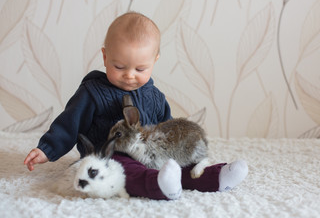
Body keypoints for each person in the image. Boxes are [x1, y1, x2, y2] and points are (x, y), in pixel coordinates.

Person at [24, 12, 248, 200]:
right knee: (126, 170)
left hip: (149, 154)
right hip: (109, 154)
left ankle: (215, 177)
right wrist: (47, 149)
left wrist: (175, 150)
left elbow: (168, 127)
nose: (129, 75)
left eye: (140, 69)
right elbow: (69, 123)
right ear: (104, 56)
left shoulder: (154, 96)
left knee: (177, 164)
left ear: (155, 60)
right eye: (119, 66)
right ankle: (158, 185)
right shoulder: (92, 93)